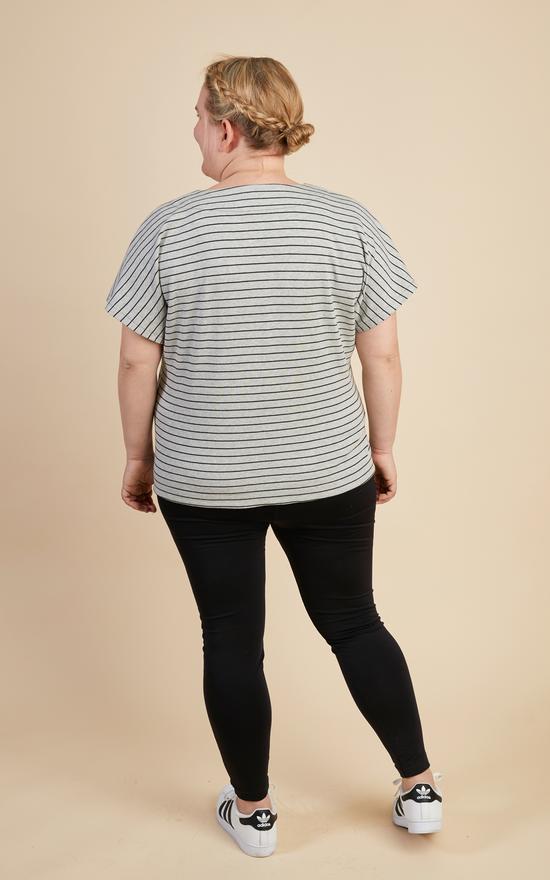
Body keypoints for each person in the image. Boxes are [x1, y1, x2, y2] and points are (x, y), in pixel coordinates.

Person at [105, 54, 443, 856]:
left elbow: (137, 361)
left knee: (229, 636)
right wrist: (382, 445)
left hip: (203, 476)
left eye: (198, 117)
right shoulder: (348, 221)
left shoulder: (169, 227)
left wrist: (137, 456)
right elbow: (382, 354)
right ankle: (420, 788)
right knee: (354, 622)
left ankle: (255, 814)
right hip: (328, 468)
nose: (194, 131)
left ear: (227, 129)